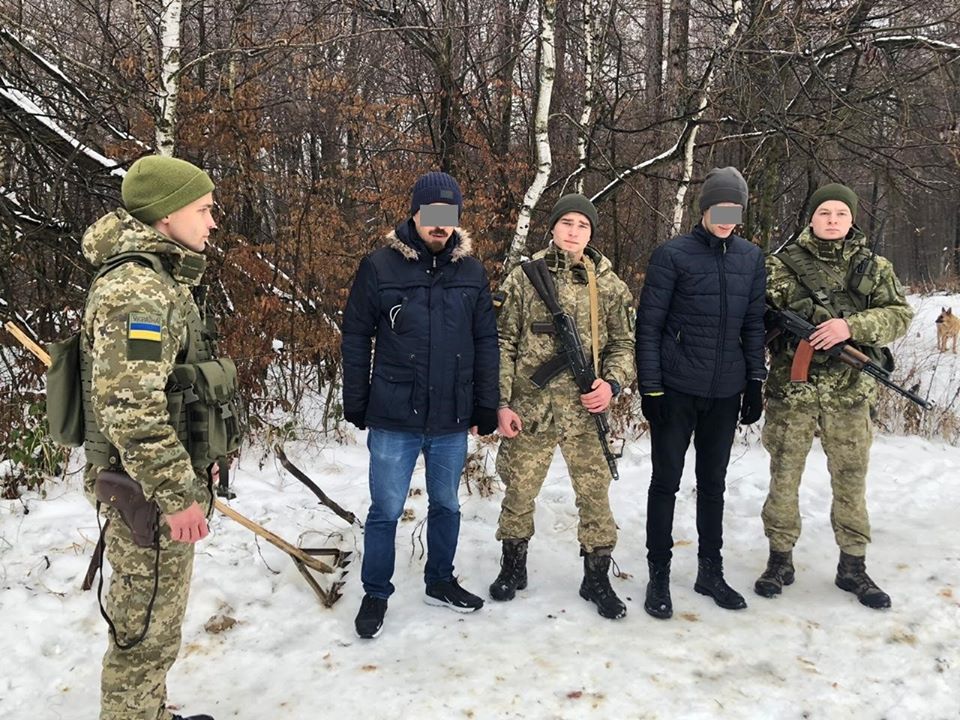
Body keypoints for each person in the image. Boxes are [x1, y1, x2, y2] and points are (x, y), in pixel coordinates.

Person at [81, 155, 235, 720]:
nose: (212, 222)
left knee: (154, 625)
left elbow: (174, 392)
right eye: (203, 210)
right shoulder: (137, 292)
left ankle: (149, 711)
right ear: (166, 215)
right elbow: (132, 411)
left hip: (154, 482)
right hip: (144, 493)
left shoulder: (161, 280)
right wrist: (177, 494)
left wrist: (203, 459)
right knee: (142, 636)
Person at [341, 171, 499, 639]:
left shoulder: (471, 271)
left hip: (451, 414)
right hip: (394, 413)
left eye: (448, 214)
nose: (439, 224)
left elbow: (486, 339)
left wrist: (486, 403)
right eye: (431, 213)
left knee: (447, 503)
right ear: (414, 213)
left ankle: (440, 579)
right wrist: (357, 398)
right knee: (386, 508)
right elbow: (356, 334)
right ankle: (375, 591)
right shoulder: (380, 266)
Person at [758, 182, 912, 609]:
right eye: (824, 212)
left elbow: (900, 316)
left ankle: (853, 566)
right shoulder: (780, 265)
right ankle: (780, 559)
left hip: (849, 394)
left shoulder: (873, 266)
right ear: (811, 217)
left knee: (850, 481)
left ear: (851, 219)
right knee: (783, 477)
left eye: (840, 214)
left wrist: (851, 329)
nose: (832, 220)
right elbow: (756, 317)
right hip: (793, 392)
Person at [490, 194, 635, 620]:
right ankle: (512, 567)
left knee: (594, 495)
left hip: (584, 410)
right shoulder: (522, 278)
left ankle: (596, 577)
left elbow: (624, 345)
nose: (573, 231)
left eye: (582, 225)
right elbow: (503, 342)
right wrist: (500, 402)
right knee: (519, 490)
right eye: (566, 223)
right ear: (551, 227)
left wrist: (612, 385)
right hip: (530, 407)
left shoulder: (607, 283)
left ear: (591, 233)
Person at [635, 167, 766, 620]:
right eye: (720, 208)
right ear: (705, 208)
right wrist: (650, 386)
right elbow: (648, 325)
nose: (728, 217)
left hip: (725, 393)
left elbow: (753, 325)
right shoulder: (672, 255)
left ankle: (710, 570)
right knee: (665, 483)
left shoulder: (751, 258)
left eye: (736, 209)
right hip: (676, 389)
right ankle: (659, 574)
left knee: (713, 485)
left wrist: (755, 381)